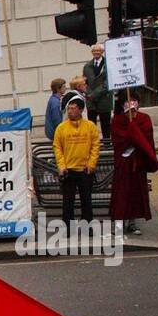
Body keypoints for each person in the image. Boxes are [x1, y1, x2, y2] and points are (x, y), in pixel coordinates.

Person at [109, 93, 158, 235]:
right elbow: (117, 140)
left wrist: (135, 130)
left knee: (135, 193)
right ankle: (119, 223)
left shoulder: (144, 119)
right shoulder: (117, 121)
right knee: (121, 193)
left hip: (138, 162)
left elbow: (146, 138)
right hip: (123, 162)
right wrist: (131, 133)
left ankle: (133, 222)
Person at [53, 95, 100, 225]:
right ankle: (68, 227)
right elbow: (57, 148)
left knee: (86, 201)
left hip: (85, 170)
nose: (70, 111)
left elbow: (95, 146)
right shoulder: (61, 128)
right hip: (68, 171)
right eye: (69, 109)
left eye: (73, 109)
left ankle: (87, 225)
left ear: (80, 110)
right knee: (68, 202)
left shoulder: (90, 126)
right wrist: (61, 167)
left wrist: (91, 165)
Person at [82, 43, 113, 137]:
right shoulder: (87, 66)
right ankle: (93, 144)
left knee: (106, 125)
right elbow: (84, 82)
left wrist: (95, 94)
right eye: (94, 51)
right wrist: (88, 93)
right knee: (91, 125)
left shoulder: (108, 64)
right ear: (92, 52)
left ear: (102, 52)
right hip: (91, 101)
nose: (96, 52)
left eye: (98, 50)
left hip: (104, 99)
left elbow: (108, 83)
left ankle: (107, 144)